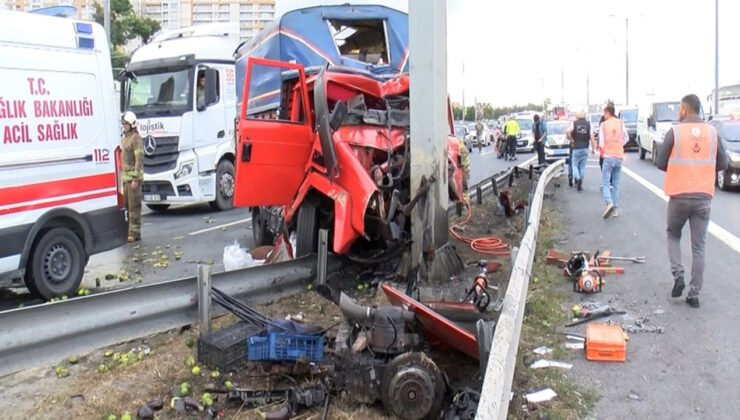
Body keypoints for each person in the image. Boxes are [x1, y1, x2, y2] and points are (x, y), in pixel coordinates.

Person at [656, 94, 728, 308]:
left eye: (680, 108)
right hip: (703, 197)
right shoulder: (713, 133)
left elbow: (660, 162)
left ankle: (678, 275)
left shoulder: (675, 131)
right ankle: (694, 294)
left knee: (673, 234)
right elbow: (722, 162)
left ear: (685, 109)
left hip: (679, 195)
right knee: (699, 247)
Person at [598, 104, 628, 218]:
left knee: (605, 182)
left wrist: (606, 148)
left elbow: (601, 142)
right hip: (619, 156)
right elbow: (626, 138)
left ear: (607, 113)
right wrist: (619, 145)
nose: (604, 116)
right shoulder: (621, 123)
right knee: (616, 184)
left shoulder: (604, 125)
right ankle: (615, 209)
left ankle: (609, 202)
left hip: (608, 156)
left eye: (604, 113)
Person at [121, 111, 144, 242]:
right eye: (123, 124)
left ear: (132, 124)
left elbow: (139, 159)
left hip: (133, 181)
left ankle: (135, 234)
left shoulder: (136, 139)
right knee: (127, 208)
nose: (124, 126)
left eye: (126, 124)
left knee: (134, 208)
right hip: (125, 180)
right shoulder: (124, 139)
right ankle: (129, 232)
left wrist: (135, 178)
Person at [567, 111, 591, 191]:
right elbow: (592, 136)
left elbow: (568, 132)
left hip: (576, 148)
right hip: (585, 148)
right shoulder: (588, 124)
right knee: (582, 167)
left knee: (574, 165)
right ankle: (581, 180)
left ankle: (578, 178)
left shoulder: (574, 124)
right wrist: (593, 148)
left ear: (577, 117)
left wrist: (572, 140)